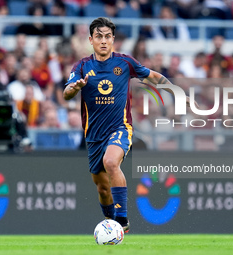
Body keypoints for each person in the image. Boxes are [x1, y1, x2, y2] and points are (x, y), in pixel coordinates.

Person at [63, 17, 190, 233]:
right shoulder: (82, 66)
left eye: (107, 37)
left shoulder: (124, 62)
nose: (103, 41)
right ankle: (111, 226)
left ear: (112, 39)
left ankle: (121, 221)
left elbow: (153, 77)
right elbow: (67, 94)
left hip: (119, 128)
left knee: (111, 162)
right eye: (98, 37)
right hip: (93, 136)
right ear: (91, 40)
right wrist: (75, 88)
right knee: (103, 189)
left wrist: (176, 92)